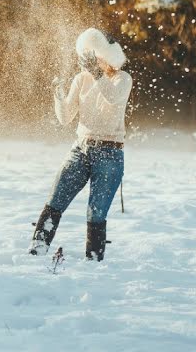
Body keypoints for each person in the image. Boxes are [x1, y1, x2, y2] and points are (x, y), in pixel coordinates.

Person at [29, 28, 133, 261]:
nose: (91, 60)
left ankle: (93, 261)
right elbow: (65, 117)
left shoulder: (122, 79)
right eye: (89, 55)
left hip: (110, 153)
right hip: (81, 149)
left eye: (96, 55)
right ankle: (37, 250)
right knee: (56, 200)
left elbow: (113, 98)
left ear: (109, 55)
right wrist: (58, 92)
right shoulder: (81, 79)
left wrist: (97, 73)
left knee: (96, 213)